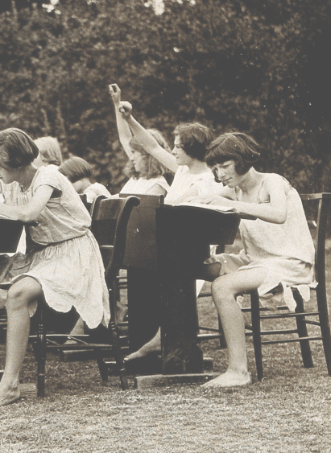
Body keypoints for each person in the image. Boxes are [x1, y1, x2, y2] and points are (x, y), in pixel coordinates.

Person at [0, 128, 109, 407]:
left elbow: (29, 213)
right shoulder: (13, 181)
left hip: (73, 254)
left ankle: (9, 385)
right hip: (45, 254)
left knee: (18, 293)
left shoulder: (47, 176)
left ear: (16, 163)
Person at [197, 133, 314, 387]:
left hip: (288, 262)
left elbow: (279, 214)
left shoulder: (272, 181)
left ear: (241, 160)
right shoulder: (234, 189)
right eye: (215, 169)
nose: (220, 175)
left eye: (225, 166)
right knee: (194, 266)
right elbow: (206, 198)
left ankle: (238, 372)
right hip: (254, 260)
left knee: (222, 286)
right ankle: (182, 352)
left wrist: (232, 206)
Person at [109, 84, 217, 204]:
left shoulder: (206, 181)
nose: (173, 151)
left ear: (192, 149)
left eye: (178, 147)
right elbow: (152, 147)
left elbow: (173, 207)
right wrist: (129, 119)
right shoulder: (183, 170)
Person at [111, 88, 172, 196]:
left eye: (135, 153)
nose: (132, 157)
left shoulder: (157, 184)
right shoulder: (137, 178)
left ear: (149, 156)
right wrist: (117, 103)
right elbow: (124, 137)